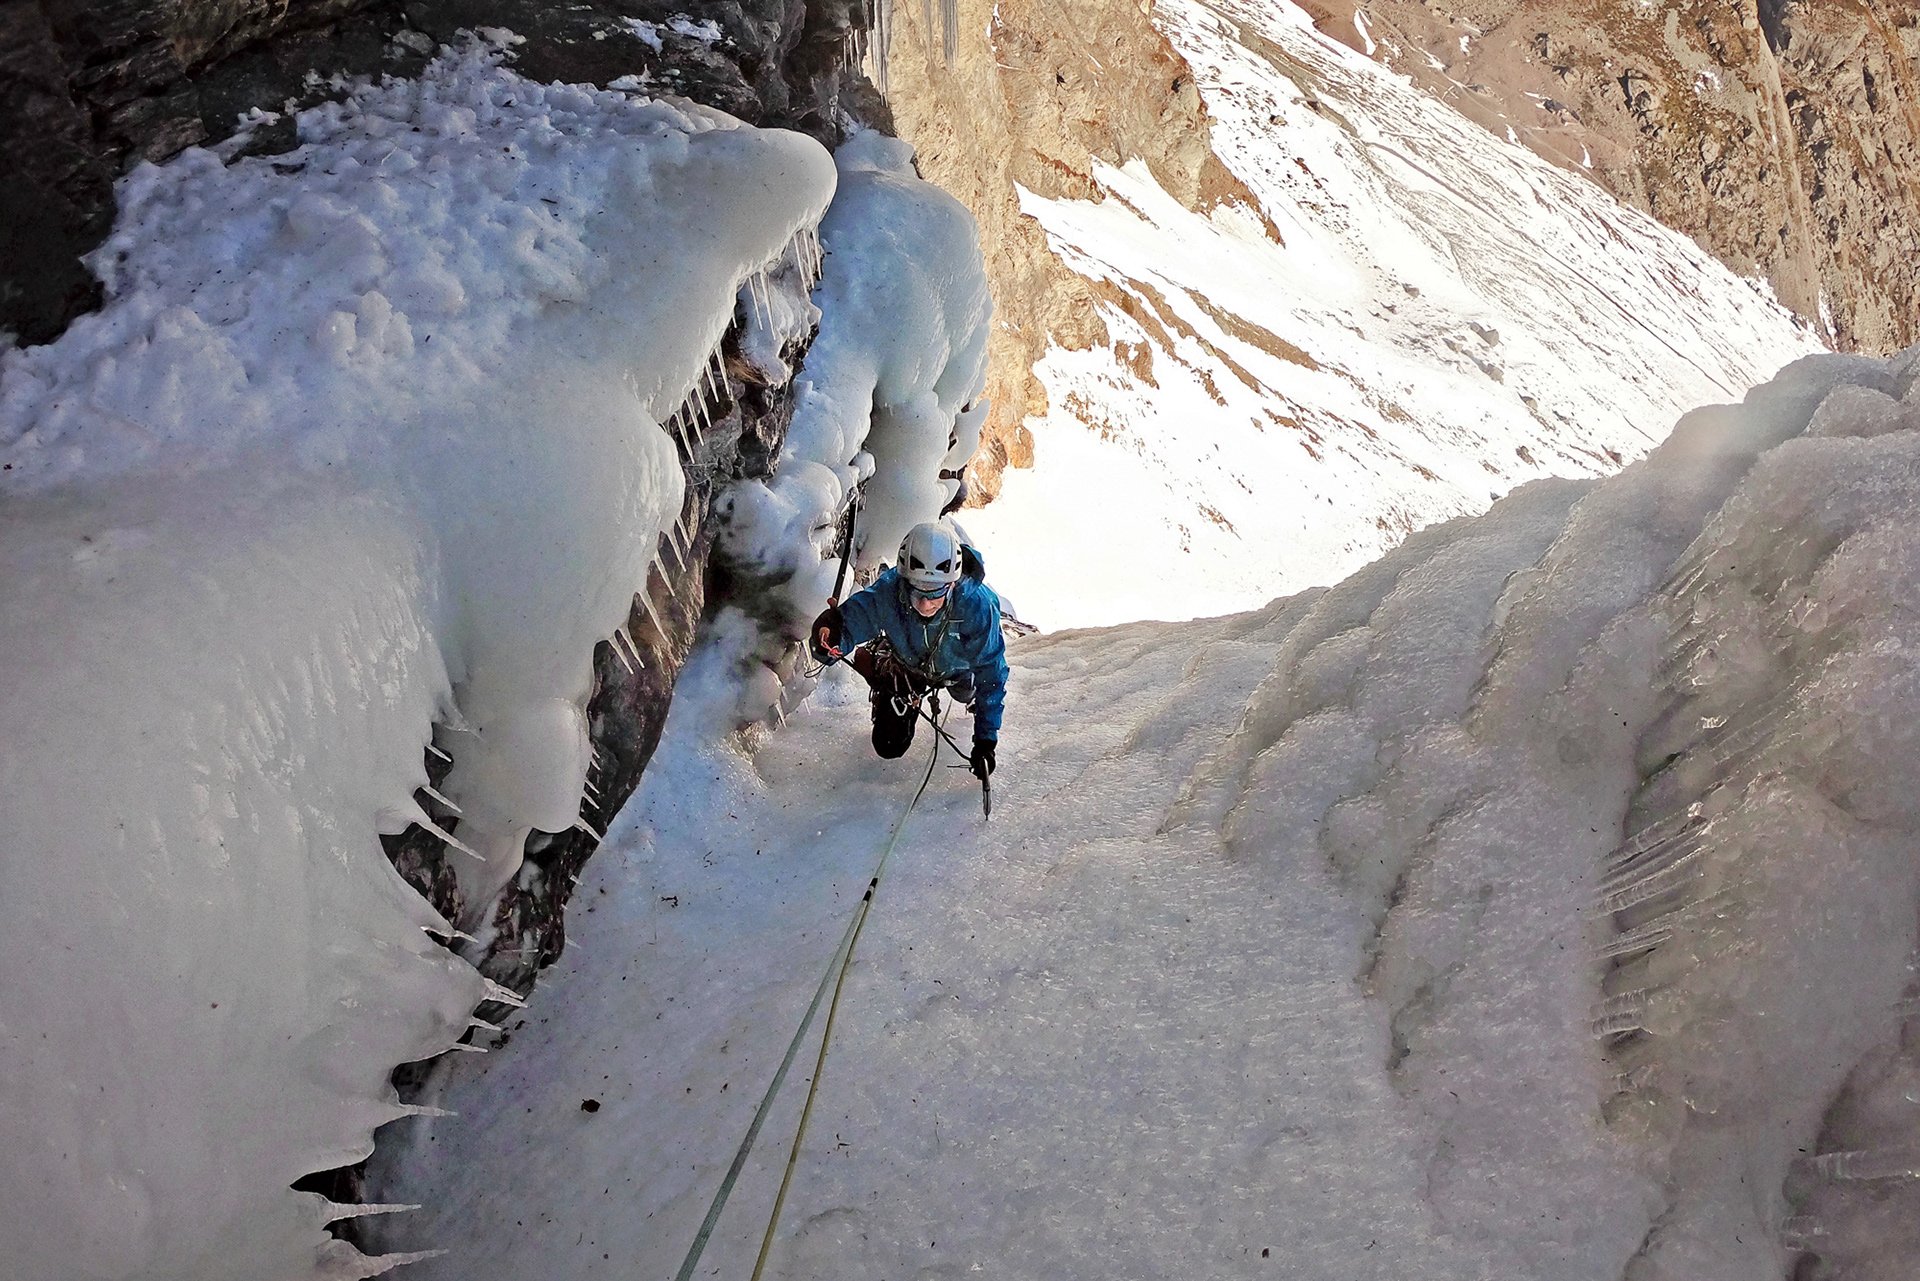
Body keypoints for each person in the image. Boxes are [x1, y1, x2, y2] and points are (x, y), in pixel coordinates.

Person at [810, 522, 1007, 781]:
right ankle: (885, 667)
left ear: (951, 584)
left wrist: (985, 740)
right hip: (908, 667)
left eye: (935, 593)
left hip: (960, 670)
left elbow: (990, 672)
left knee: (966, 692)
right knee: (889, 744)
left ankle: (963, 694)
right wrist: (832, 634)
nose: (925, 603)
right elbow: (854, 620)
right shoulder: (890, 591)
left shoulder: (976, 605)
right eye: (917, 591)